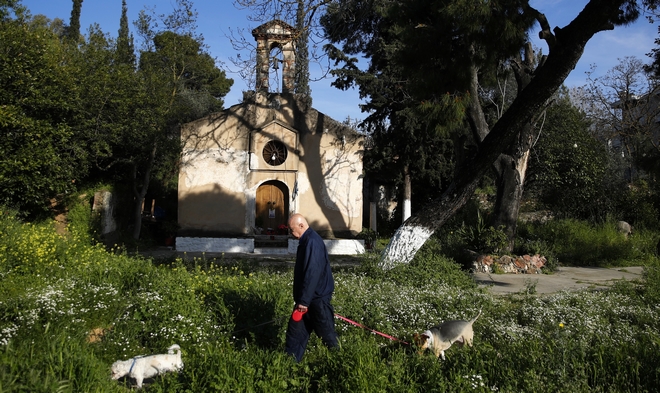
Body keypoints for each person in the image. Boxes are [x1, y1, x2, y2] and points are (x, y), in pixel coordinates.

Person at [284, 213, 338, 362]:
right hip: (306, 301)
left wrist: (304, 302)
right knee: (294, 334)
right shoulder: (306, 240)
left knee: (328, 336)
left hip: (316, 301)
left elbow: (312, 273)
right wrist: (303, 300)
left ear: (301, 226)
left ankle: (341, 362)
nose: (290, 233)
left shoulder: (312, 242)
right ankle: (289, 365)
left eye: (292, 229)